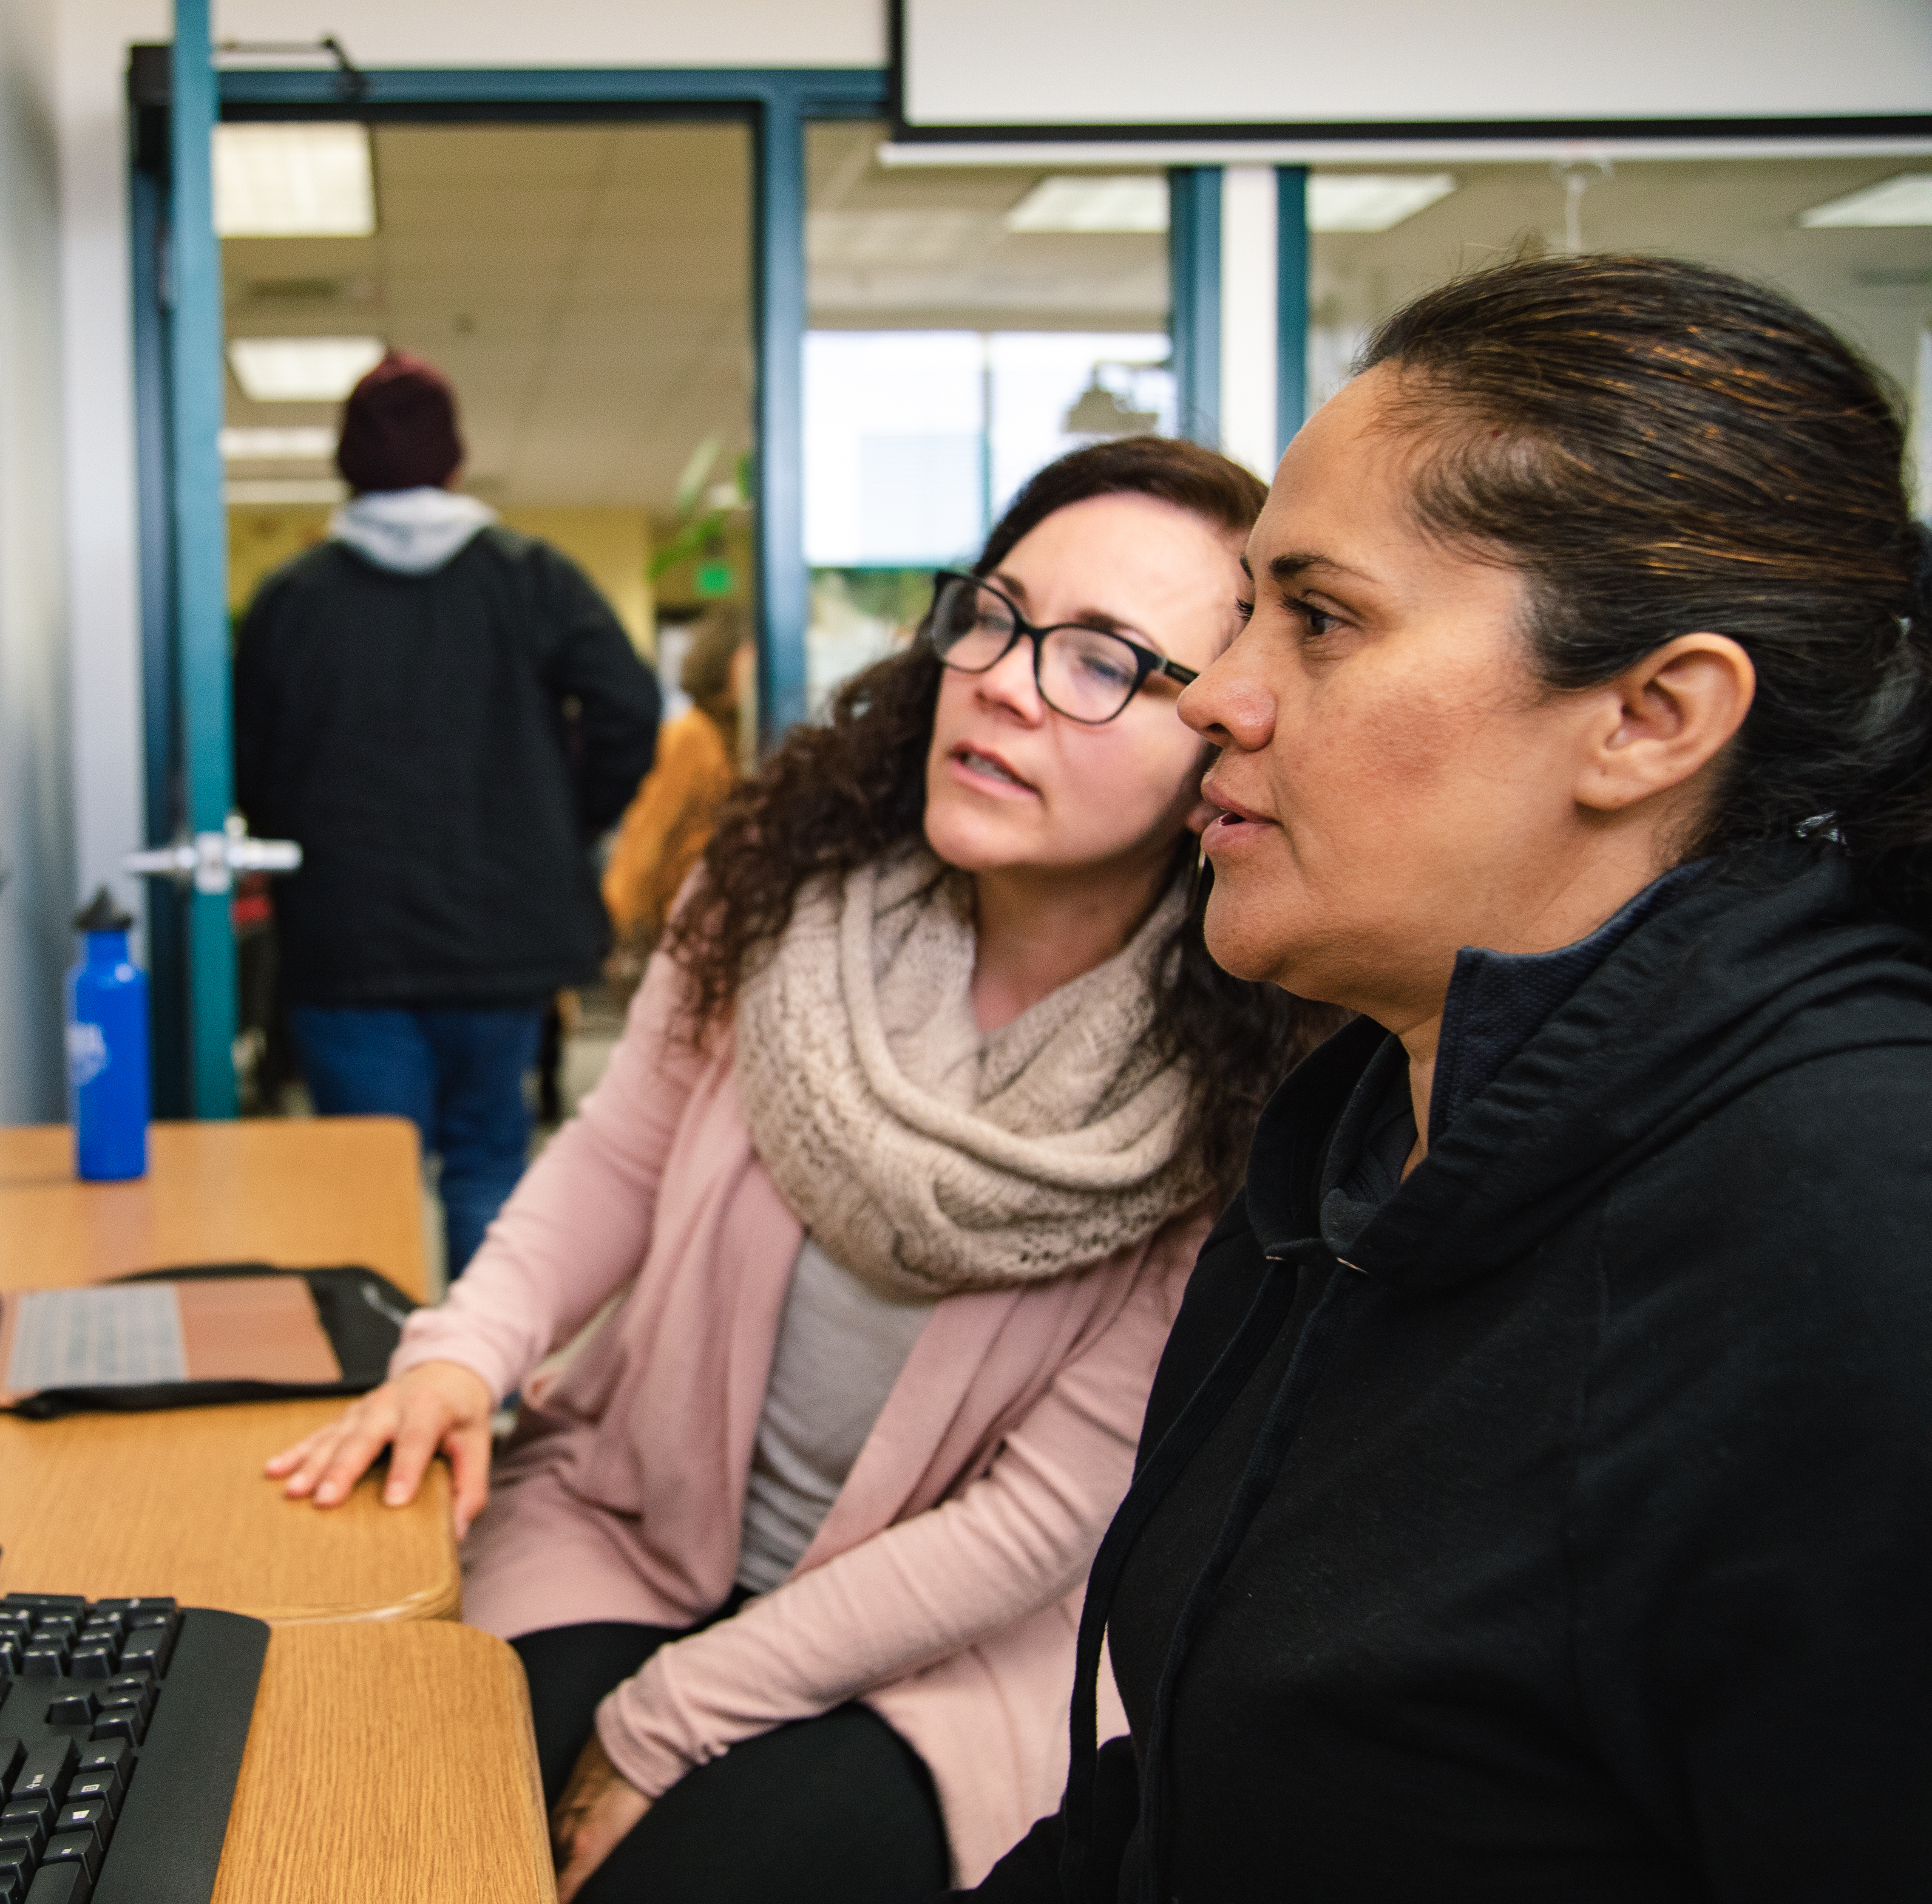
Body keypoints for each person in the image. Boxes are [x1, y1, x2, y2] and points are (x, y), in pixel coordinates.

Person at [974, 255, 1932, 1902]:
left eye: (1321, 619)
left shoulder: (1851, 1242)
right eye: (1248, 611)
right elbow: (1214, 1793)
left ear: (1651, 717)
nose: (1217, 697)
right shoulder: (1369, 1126)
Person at [268, 438, 1335, 1902]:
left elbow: (1039, 1519)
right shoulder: (780, 888)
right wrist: (461, 1355)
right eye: (996, 617)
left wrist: (668, 1718)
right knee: (404, 1820)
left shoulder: (1248, 1090)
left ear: (1221, 737)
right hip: (630, 1527)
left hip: (942, 1650)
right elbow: (616, 1158)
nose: (1003, 682)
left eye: (1102, 661)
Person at [236, 351, 658, 1274]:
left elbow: (249, 767)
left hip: (348, 943)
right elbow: (630, 708)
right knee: (487, 1166)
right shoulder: (534, 580)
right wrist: (567, 823)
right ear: (456, 461)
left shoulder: (293, 600)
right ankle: (479, 1365)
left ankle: (374, 1359)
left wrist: (303, 831)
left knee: (366, 1186)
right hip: (499, 938)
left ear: (346, 465)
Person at [601, 603, 757, 994]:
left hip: (711, 937)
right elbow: (644, 840)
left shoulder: (734, 739)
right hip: (681, 939)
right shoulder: (691, 737)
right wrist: (616, 932)